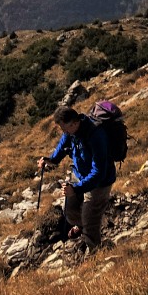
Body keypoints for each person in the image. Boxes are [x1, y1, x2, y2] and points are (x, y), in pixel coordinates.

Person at [41, 105, 116, 253]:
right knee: (69, 210)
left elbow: (98, 172)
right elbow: (62, 146)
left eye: (65, 129)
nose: (64, 132)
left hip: (99, 183)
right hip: (79, 175)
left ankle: (95, 253)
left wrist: (76, 188)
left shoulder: (96, 135)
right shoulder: (71, 131)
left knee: (90, 218)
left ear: (74, 123)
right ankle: (82, 227)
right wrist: (50, 160)